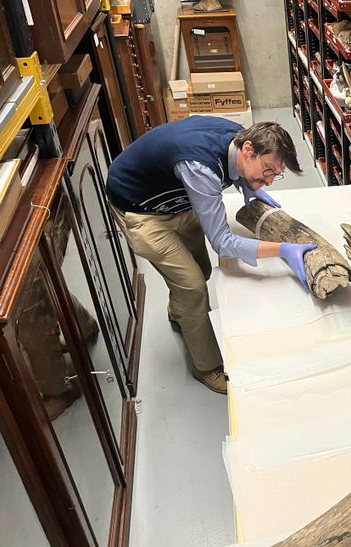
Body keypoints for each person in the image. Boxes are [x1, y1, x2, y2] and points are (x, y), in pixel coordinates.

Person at [106, 117, 316, 395]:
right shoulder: (200, 167)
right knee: (192, 285)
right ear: (249, 149)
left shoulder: (237, 137)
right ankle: (205, 367)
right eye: (266, 170)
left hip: (176, 198)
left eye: (274, 175)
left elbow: (234, 172)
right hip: (142, 210)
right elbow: (223, 242)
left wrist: (249, 186)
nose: (268, 180)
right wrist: (282, 250)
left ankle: (179, 312)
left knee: (201, 269)